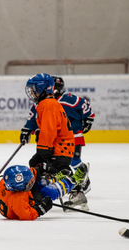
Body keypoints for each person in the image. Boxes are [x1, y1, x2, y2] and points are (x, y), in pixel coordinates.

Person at [20, 75, 95, 209]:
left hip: (60, 147)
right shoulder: (45, 103)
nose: (31, 92)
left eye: (33, 89)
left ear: (42, 89)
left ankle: (73, 183)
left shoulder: (48, 104)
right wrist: (28, 130)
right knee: (37, 164)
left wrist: (44, 151)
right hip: (59, 145)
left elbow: (49, 130)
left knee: (57, 170)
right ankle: (44, 194)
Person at [0, 163, 88, 220]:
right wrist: (41, 208)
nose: (32, 180)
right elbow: (28, 215)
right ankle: (75, 180)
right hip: (25, 204)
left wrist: (40, 169)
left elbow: (30, 173)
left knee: (38, 181)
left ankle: (54, 179)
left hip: (23, 193)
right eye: (29, 182)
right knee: (49, 192)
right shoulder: (17, 200)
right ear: (20, 189)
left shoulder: (7, 181)